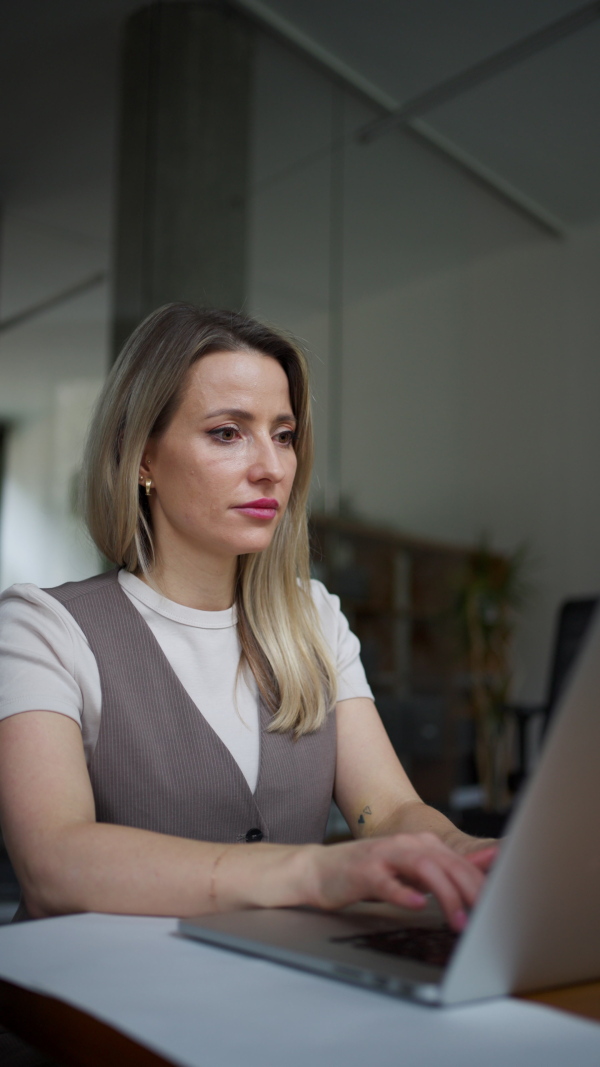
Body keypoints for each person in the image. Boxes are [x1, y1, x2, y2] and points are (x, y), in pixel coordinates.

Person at [0, 303, 495, 931]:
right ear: (143, 457)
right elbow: (53, 863)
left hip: (283, 995)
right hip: (96, 1013)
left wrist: (470, 855)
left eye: (283, 435)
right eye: (228, 432)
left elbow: (390, 811)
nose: (271, 467)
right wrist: (310, 874)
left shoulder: (314, 619)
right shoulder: (45, 627)